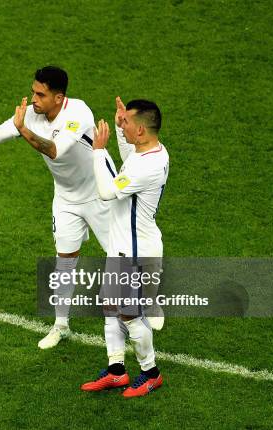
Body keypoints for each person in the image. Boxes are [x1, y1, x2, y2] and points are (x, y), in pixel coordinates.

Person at [0, 66, 116, 349]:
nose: (33, 99)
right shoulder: (33, 113)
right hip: (66, 197)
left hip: (100, 192)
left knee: (120, 253)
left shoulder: (78, 113)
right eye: (33, 91)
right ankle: (61, 325)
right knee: (65, 261)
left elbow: (54, 150)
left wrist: (22, 130)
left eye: (40, 94)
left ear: (59, 97)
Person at [80, 97, 168, 398]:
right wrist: (120, 129)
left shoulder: (148, 167)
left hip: (136, 253)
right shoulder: (151, 150)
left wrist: (98, 150)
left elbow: (106, 192)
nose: (122, 124)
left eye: (127, 122)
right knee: (110, 308)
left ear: (141, 130)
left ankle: (150, 373)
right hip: (123, 249)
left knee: (129, 314)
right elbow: (130, 156)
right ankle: (117, 371)